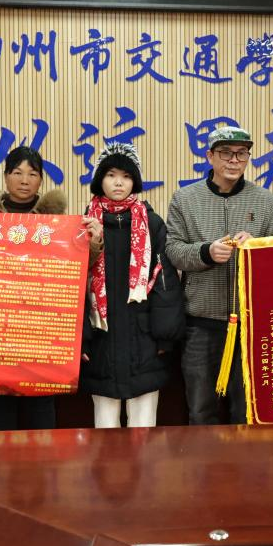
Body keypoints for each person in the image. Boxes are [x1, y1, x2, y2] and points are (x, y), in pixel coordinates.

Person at [165, 127, 273, 424]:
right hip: (200, 323)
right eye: (226, 153)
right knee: (200, 409)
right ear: (210, 156)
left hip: (252, 324)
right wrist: (206, 252)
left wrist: (257, 246)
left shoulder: (266, 201)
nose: (234, 160)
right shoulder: (185, 199)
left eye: (241, 153)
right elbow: (173, 249)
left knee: (247, 410)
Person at [0, 146, 76, 431]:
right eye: (17, 173)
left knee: (42, 409)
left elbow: (74, 273)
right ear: (6, 176)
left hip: (41, 331)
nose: (25, 180)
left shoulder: (58, 224)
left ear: (41, 179)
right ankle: (0, 461)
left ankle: (43, 461)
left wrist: (91, 242)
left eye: (32, 174)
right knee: (0, 410)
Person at [80, 143, 185, 428]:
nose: (118, 182)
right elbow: (74, 286)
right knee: (105, 427)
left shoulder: (152, 223)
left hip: (144, 339)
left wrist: (164, 337)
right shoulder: (85, 225)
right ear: (100, 180)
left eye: (126, 176)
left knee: (144, 428)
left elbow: (165, 281)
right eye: (111, 175)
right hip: (101, 339)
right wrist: (81, 339)